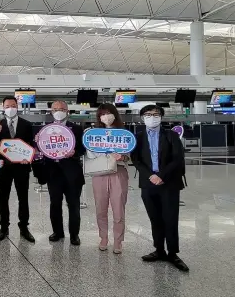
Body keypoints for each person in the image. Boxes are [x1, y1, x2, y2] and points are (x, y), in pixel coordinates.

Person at [131, 105, 189, 272]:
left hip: (169, 183)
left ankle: (173, 253)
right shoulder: (138, 137)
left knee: (170, 218)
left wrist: (161, 176)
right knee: (155, 218)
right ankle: (159, 250)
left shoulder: (171, 135)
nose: (152, 117)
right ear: (142, 118)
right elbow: (136, 160)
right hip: (148, 183)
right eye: (148, 114)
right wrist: (151, 175)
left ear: (161, 117)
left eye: (156, 114)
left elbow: (177, 158)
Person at [0, 96, 35, 243]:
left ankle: (24, 227)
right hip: (5, 167)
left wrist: (28, 157)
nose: (11, 108)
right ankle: (4, 227)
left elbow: (31, 145)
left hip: (22, 166)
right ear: (3, 108)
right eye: (8, 106)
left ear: (17, 106)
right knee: (3, 197)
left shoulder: (27, 125)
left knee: (23, 197)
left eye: (13, 105)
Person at [87, 103, 130, 254]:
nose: (106, 116)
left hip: (118, 172)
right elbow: (90, 154)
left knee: (118, 209)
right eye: (102, 114)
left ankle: (118, 241)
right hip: (99, 173)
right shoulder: (93, 134)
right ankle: (103, 238)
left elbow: (129, 156)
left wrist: (122, 156)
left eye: (109, 113)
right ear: (99, 117)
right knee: (101, 208)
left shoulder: (124, 134)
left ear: (115, 114)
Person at [43, 101, 85, 245]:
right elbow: (40, 149)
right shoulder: (45, 130)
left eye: (62, 109)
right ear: (51, 112)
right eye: (55, 109)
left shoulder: (77, 129)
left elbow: (83, 149)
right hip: (53, 173)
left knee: (73, 205)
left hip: (72, 173)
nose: (58, 111)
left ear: (67, 111)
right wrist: (38, 143)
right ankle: (57, 232)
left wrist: (75, 152)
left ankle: (74, 234)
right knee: (55, 204)